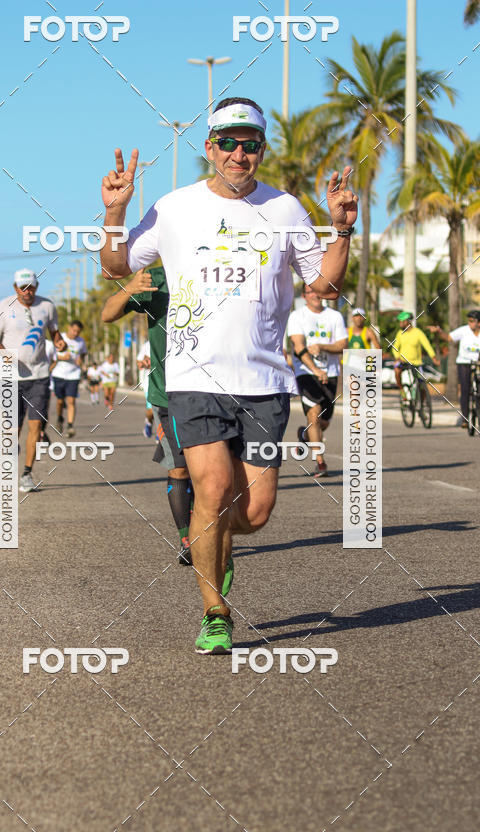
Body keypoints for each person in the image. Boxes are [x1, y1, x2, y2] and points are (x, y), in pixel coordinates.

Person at [99, 96, 358, 653]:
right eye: (230, 143)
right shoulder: (174, 207)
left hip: (264, 383)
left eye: (252, 144)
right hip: (194, 378)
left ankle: (215, 545)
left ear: (261, 149)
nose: (241, 154)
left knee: (256, 512)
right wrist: (116, 215)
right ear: (210, 147)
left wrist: (341, 231)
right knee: (211, 490)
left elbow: (326, 288)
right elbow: (118, 267)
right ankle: (214, 610)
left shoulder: (286, 209)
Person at [101, 266, 194, 566]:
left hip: (216, 391)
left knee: (213, 474)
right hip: (167, 394)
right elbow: (108, 313)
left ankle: (212, 529)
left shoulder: (220, 271)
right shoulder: (158, 280)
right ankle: (187, 539)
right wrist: (129, 287)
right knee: (179, 469)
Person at [0, 269, 65, 492]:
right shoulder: (5, 306)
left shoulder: (47, 306)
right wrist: (5, 355)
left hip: (39, 376)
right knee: (12, 430)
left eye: (31, 287)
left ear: (36, 287)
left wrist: (60, 343)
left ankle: (26, 474)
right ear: (15, 288)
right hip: (12, 378)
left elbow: (55, 334)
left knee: (35, 426)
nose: (27, 291)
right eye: (23, 287)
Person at [287, 284, 348, 477]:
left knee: (324, 422)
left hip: (330, 373)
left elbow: (342, 345)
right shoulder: (297, 316)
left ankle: (304, 435)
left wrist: (322, 346)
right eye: (310, 292)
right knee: (313, 415)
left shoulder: (334, 316)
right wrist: (314, 369)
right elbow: (298, 346)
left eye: (317, 291)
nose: (315, 295)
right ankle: (320, 462)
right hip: (305, 373)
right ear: (304, 296)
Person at [429, 310, 480, 426]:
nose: (470, 323)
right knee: (465, 389)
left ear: (479, 323)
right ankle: (465, 419)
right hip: (464, 362)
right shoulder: (464, 330)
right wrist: (439, 331)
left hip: (478, 363)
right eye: (469, 321)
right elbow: (449, 337)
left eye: (473, 321)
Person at [51, 320, 87, 437]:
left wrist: (81, 361)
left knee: (71, 401)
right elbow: (51, 356)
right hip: (59, 373)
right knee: (60, 401)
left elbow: (82, 355)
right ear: (69, 328)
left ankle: (70, 426)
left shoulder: (81, 342)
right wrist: (61, 357)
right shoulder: (60, 338)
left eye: (78, 331)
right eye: (74, 330)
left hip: (73, 374)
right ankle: (60, 418)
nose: (75, 333)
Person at [392, 311, 440, 395]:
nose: (400, 324)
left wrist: (434, 358)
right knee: (397, 370)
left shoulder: (418, 332)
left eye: (401, 321)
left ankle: (424, 403)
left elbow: (427, 346)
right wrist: (397, 358)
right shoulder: (400, 333)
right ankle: (401, 390)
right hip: (403, 361)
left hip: (416, 363)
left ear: (407, 321)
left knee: (422, 383)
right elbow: (395, 347)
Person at [136, 338, 154, 438]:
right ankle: (149, 422)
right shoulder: (148, 344)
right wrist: (144, 363)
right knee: (152, 410)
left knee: (164, 410)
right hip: (150, 383)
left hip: (168, 383)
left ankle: (161, 436)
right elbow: (139, 363)